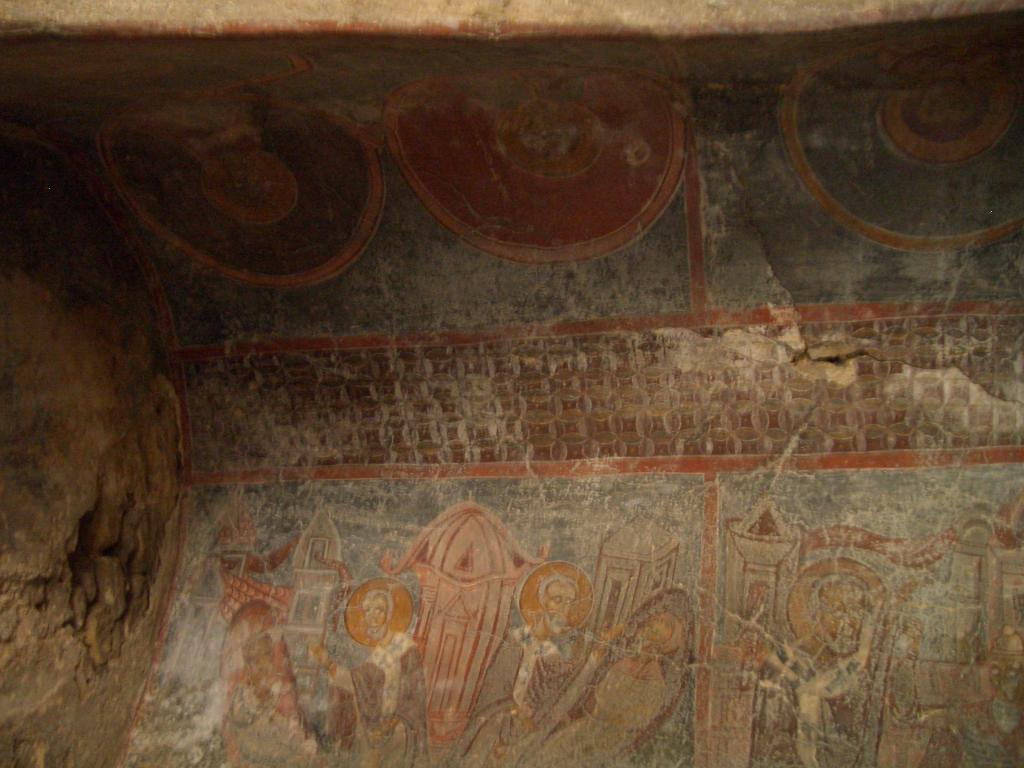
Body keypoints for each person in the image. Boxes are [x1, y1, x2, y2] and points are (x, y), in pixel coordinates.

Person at [453, 562, 593, 767]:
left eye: (569, 602)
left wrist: (593, 661)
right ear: (542, 602)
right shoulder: (514, 642)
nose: (564, 610)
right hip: (492, 735)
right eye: (557, 600)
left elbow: (561, 697)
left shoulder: (552, 656)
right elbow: (492, 697)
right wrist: (513, 716)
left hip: (523, 741)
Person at [749, 572, 883, 768]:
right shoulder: (797, 660)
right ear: (816, 613)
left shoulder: (860, 671)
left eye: (855, 611)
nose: (847, 622)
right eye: (837, 610)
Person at [310, 578, 428, 768]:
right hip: (373, 728)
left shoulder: (405, 648)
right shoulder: (376, 653)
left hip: (398, 728)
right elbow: (357, 683)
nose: (372, 617)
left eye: (379, 610)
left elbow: (413, 697)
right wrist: (328, 664)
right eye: (367, 611)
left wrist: (389, 725)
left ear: (389, 615)